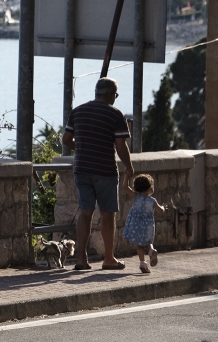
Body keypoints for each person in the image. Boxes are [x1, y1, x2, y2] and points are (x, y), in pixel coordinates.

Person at [61, 77, 135, 271]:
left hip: (82, 168)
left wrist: (82, 148)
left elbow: (66, 139)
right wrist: (129, 167)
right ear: (111, 95)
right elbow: (120, 146)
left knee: (85, 212)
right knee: (107, 214)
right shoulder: (115, 114)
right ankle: (109, 259)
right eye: (115, 95)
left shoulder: (78, 111)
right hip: (105, 170)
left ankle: (81, 260)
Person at [123, 174, 167, 274]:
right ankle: (151, 251)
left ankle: (143, 263)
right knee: (148, 242)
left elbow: (125, 187)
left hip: (136, 226)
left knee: (140, 246)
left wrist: (127, 176)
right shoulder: (152, 201)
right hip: (148, 226)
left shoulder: (135, 196)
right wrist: (164, 207)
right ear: (149, 188)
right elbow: (160, 210)